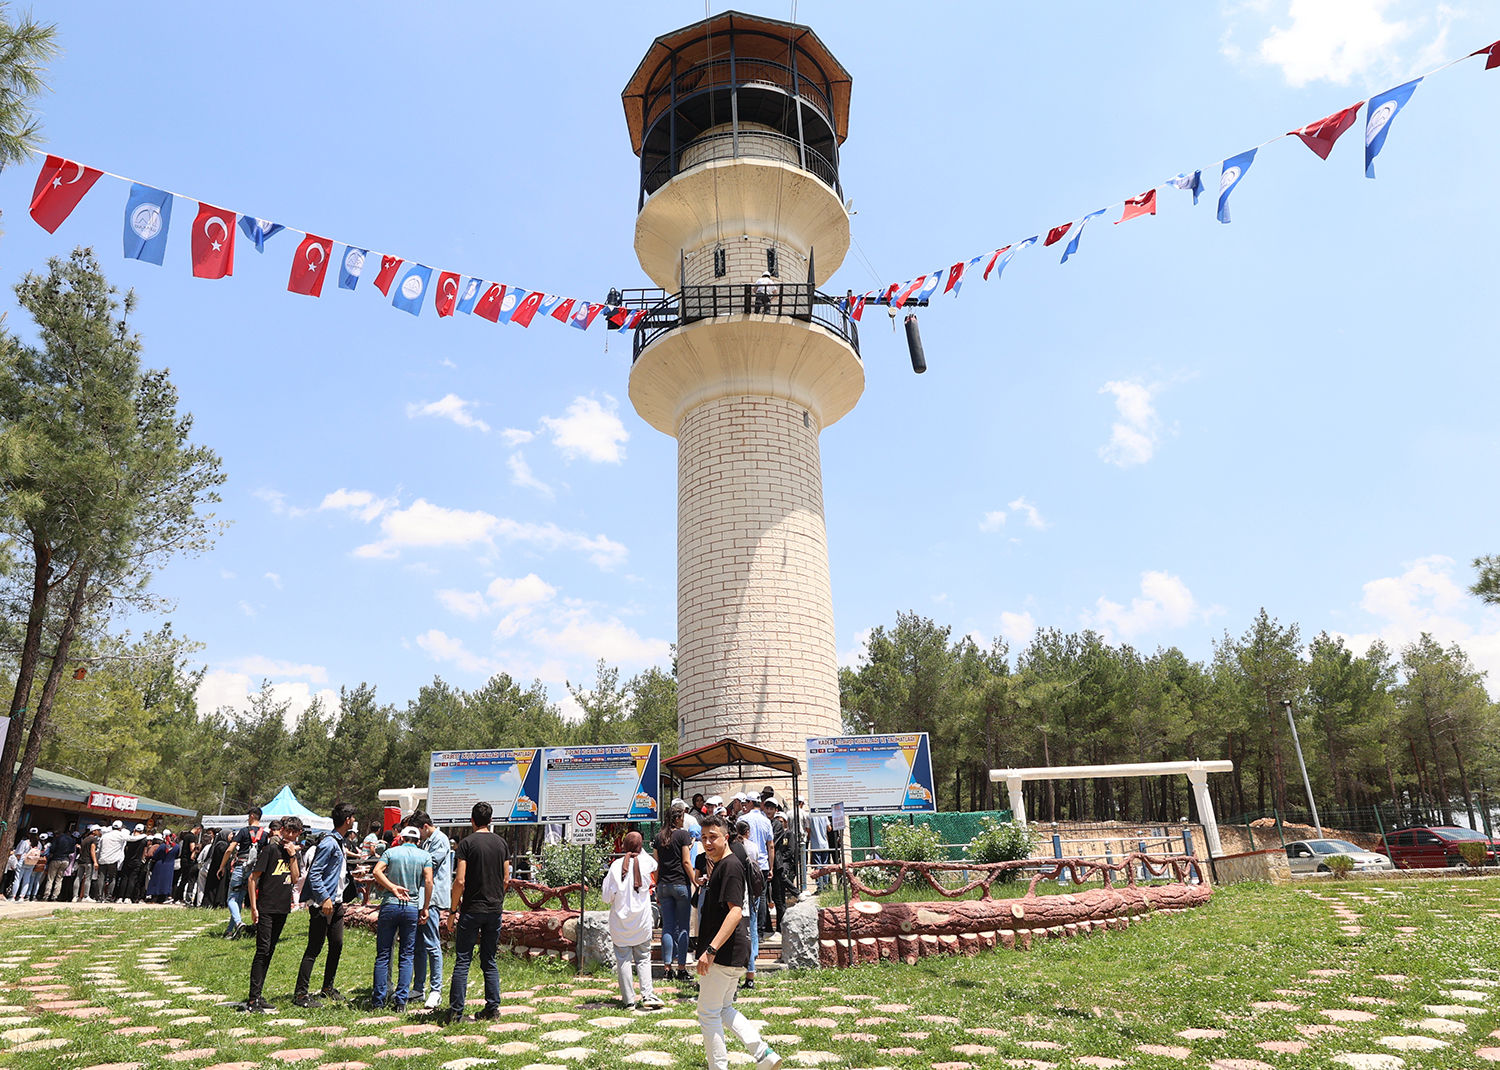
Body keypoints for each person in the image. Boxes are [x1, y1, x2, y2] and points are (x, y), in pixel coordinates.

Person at [695, 814, 780, 1070]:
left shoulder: (730, 866)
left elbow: (735, 911)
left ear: (726, 837)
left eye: (713, 837)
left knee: (707, 1013)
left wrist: (711, 950)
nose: (708, 843)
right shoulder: (723, 864)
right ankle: (763, 1053)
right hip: (733, 951)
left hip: (723, 952)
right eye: (704, 838)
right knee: (723, 1008)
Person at [441, 801, 510, 1025]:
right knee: (489, 960)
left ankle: (456, 1013)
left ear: (472, 820)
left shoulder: (466, 844)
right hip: (494, 909)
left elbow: (460, 880)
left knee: (463, 960)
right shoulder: (502, 843)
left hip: (471, 908)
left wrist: (452, 911)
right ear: (491, 820)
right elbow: (506, 878)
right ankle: (493, 1009)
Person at [293, 802, 356, 1009]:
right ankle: (301, 994)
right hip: (324, 904)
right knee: (314, 947)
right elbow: (315, 874)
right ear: (348, 820)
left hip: (336, 903)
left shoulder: (340, 842)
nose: (354, 821)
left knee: (336, 944)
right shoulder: (329, 843)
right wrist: (324, 899)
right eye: (353, 818)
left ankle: (328, 987)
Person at [240, 816, 303, 1014]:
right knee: (262, 950)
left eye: (295, 832)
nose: (290, 835)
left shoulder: (291, 853)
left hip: (282, 908)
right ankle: (252, 998)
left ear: (299, 834)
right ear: (282, 830)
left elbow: (294, 878)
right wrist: (253, 907)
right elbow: (252, 878)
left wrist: (293, 856)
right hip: (266, 907)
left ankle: (258, 995)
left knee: (270, 950)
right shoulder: (270, 850)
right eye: (288, 831)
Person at [371, 825, 433, 1012]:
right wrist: (426, 906)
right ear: (418, 841)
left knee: (383, 954)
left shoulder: (391, 852)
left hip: (390, 905)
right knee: (406, 955)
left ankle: (378, 1001)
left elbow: (376, 871)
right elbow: (429, 881)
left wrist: (392, 887)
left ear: (401, 837)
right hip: (411, 907)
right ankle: (401, 1001)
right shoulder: (425, 856)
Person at [603, 830, 662, 1010]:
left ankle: (629, 1000)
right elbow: (652, 862)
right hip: (642, 921)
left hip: (620, 922)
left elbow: (606, 897)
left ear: (624, 845)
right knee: (644, 958)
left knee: (623, 959)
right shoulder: (647, 863)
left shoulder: (615, 867)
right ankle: (648, 994)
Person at [409, 810, 452, 1010]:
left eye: (418, 831)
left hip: (432, 899)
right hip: (420, 898)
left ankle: (436, 990)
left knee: (431, 943)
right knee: (418, 943)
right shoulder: (425, 841)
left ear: (425, 827)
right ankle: (418, 988)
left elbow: (429, 865)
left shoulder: (440, 840)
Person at [654, 803, 695, 982]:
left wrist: (656, 886)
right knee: (684, 927)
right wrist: (694, 881)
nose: (683, 821)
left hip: (663, 884)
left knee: (668, 927)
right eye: (682, 818)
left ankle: (667, 968)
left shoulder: (658, 837)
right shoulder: (683, 835)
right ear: (677, 818)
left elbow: (657, 866)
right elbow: (686, 862)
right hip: (680, 884)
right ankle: (682, 968)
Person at [220, 808, 266, 938]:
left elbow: (230, 849)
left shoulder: (244, 831)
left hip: (240, 866)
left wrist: (222, 866)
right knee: (239, 899)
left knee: (232, 898)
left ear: (251, 816)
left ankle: (239, 922)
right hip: (254, 870)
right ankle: (230, 931)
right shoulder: (265, 834)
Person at [96, 820, 129, 902]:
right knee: (112, 878)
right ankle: (108, 897)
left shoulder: (105, 836)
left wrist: (96, 860)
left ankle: (99, 897)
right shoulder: (122, 835)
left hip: (102, 859)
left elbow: (99, 849)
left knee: (101, 878)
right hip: (113, 860)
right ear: (120, 828)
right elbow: (132, 838)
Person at [42, 824, 78, 901]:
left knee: (50, 878)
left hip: (56, 858)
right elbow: (72, 850)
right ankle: (55, 896)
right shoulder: (72, 840)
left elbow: (52, 849)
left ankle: (46, 895)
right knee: (59, 879)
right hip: (65, 860)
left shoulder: (57, 839)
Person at [118, 823, 149, 903]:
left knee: (124, 878)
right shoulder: (144, 840)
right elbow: (144, 851)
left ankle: (120, 897)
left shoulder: (130, 839)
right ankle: (128, 897)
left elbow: (126, 849)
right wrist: (141, 859)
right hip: (137, 861)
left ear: (134, 830)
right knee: (132, 879)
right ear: (142, 831)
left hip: (128, 860)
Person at [145, 833, 181, 903]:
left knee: (157, 881)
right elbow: (177, 855)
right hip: (170, 866)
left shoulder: (162, 846)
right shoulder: (177, 847)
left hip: (160, 865)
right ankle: (163, 897)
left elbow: (155, 855)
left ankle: (154, 896)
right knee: (166, 882)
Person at [804, 803, 831, 892]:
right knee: (825, 866)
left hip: (815, 844)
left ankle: (820, 887)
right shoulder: (824, 815)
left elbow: (807, 829)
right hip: (825, 844)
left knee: (817, 866)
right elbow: (829, 828)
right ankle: (826, 886)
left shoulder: (809, 816)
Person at [11, 830, 42, 901]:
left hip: (22, 862)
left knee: (17, 879)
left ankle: (13, 896)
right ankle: (22, 897)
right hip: (32, 863)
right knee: (26, 880)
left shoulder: (24, 842)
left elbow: (18, 853)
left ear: (28, 834)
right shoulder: (39, 844)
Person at [76, 824, 101, 902]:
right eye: (98, 830)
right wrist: (95, 862)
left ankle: (75, 896)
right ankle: (86, 896)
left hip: (81, 860)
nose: (99, 832)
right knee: (88, 878)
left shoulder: (85, 839)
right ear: (94, 831)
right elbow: (92, 850)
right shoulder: (93, 839)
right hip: (88, 861)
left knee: (78, 877)